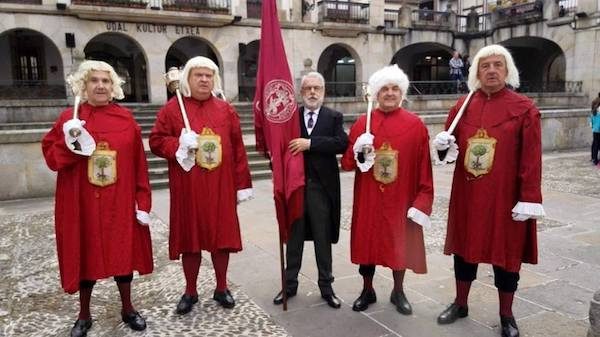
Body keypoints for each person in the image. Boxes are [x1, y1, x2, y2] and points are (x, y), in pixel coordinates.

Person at [433, 44, 545, 337]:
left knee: (506, 255)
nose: (492, 70)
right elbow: (450, 151)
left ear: (507, 71)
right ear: (476, 72)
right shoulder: (462, 107)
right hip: (469, 195)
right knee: (464, 250)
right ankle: (460, 303)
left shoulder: (524, 109)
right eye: (485, 65)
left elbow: (532, 159)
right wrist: (443, 147)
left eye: (497, 65)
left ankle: (506, 314)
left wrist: (528, 198)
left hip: (506, 198)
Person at [42, 60, 153, 337]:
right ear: (84, 85)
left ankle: (128, 308)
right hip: (83, 204)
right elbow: (53, 160)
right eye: (94, 81)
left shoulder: (126, 120)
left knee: (123, 256)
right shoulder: (69, 119)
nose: (100, 85)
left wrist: (143, 202)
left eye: (106, 81)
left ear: (113, 86)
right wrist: (70, 142)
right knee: (85, 256)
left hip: (119, 202)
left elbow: (139, 164)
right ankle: (83, 315)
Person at [149, 56, 253, 315]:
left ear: (214, 80)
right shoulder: (173, 110)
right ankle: (191, 290)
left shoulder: (225, 110)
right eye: (199, 75)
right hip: (189, 189)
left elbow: (238, 149)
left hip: (221, 187)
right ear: (188, 79)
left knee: (221, 240)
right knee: (190, 241)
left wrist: (242, 184)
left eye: (209, 76)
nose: (204, 80)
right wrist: (178, 144)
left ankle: (221, 287)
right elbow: (156, 141)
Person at [341, 65, 434, 315]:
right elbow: (347, 164)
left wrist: (422, 201)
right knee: (367, 245)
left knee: (399, 245)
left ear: (401, 93)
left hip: (401, 198)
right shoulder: (363, 123)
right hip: (369, 197)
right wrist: (358, 150)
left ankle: (398, 290)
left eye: (395, 88)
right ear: (375, 93)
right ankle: (367, 288)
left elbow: (424, 166)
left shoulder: (416, 126)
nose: (390, 93)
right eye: (384, 89)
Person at [272, 72, 348, 308]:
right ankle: (289, 285)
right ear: (301, 92)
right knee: (293, 239)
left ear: (323, 91)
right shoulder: (289, 118)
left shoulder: (333, 116)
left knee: (322, 239)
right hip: (295, 187)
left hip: (321, 189)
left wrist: (311, 144)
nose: (312, 92)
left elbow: (342, 143)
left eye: (317, 88)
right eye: (308, 89)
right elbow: (280, 143)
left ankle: (326, 286)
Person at [590, 102, 600, 166]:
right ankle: (595, 160)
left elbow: (591, 123)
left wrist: (593, 128)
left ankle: (594, 159)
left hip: (594, 131)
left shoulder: (593, 113)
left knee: (595, 145)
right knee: (597, 145)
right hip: (599, 131)